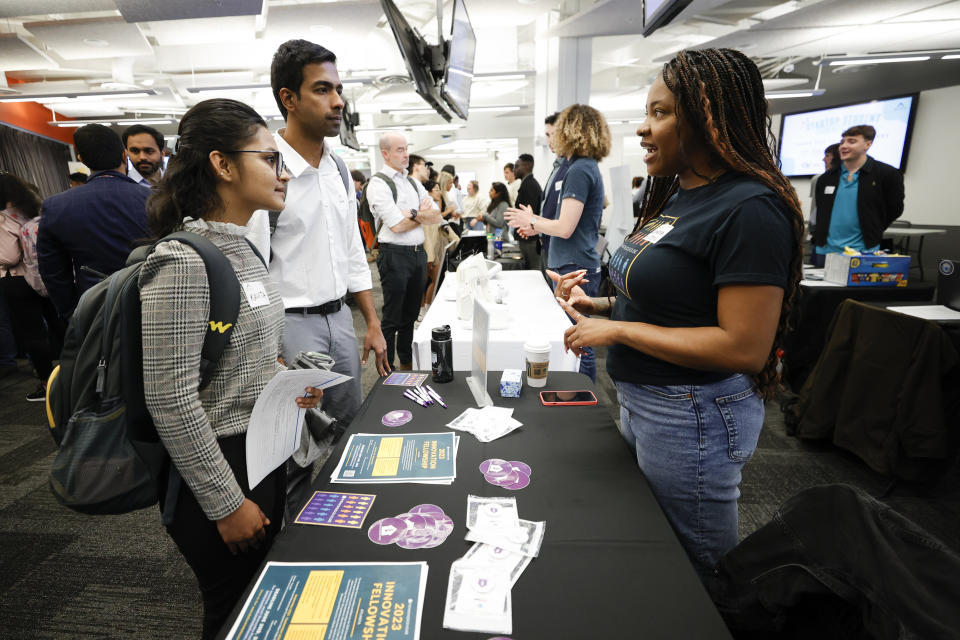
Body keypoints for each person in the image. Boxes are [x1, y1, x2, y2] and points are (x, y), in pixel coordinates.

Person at [550, 48, 803, 581]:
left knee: (697, 569)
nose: (643, 129)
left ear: (710, 118)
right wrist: (596, 304)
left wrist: (616, 328)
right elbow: (675, 303)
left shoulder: (750, 207)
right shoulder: (678, 195)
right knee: (656, 549)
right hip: (650, 400)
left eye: (661, 113)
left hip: (695, 412)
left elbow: (742, 346)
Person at [140, 97, 322, 639]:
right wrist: (224, 503)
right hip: (218, 469)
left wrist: (291, 380)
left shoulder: (242, 250)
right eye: (269, 159)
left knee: (260, 603)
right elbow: (170, 398)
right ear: (222, 165)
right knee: (235, 613)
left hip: (259, 453)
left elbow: (246, 358)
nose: (283, 174)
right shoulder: (182, 261)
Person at [246, 39, 389, 520]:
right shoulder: (265, 169)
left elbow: (352, 251)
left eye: (339, 90)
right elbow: (251, 265)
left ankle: (344, 527)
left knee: (348, 431)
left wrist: (371, 321)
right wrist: (268, 349)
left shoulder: (338, 169)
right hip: (289, 325)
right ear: (289, 99)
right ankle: (284, 548)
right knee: (293, 447)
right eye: (323, 90)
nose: (338, 101)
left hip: (338, 321)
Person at [505, 103, 610, 382]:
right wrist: (536, 224)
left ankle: (584, 397)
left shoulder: (578, 170)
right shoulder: (576, 167)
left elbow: (564, 227)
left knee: (580, 342)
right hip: (570, 262)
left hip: (574, 265)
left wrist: (533, 222)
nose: (552, 137)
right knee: (575, 338)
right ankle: (580, 395)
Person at [38, 124, 150, 319]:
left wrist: (71, 314)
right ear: (124, 155)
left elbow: (53, 273)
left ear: (81, 159)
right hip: (151, 301)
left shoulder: (55, 206)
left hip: (93, 309)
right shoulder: (155, 200)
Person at [366, 132, 442, 370]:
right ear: (385, 153)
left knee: (410, 315)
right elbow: (396, 226)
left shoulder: (413, 182)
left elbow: (436, 215)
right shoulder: (378, 184)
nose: (405, 154)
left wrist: (410, 213)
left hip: (418, 254)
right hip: (394, 255)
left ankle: (406, 363)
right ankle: (386, 370)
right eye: (399, 150)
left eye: (406, 148)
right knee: (392, 317)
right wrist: (420, 215)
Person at [812, 125, 904, 267]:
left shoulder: (887, 174)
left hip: (864, 251)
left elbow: (895, 208)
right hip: (826, 251)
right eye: (842, 142)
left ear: (868, 144)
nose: (844, 146)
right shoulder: (826, 178)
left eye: (851, 141)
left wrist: (873, 227)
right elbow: (821, 209)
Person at [0, 173, 54, 401]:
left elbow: (9, 256)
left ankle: (46, 383)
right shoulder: (34, 212)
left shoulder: (4, 219)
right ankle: (71, 374)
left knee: (33, 334)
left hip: (17, 281)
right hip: (45, 276)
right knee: (57, 325)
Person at [537, 112, 569, 269]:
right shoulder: (557, 167)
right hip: (549, 244)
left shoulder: (573, 169)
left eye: (553, 134)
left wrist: (532, 221)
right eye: (547, 135)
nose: (550, 141)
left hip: (565, 253)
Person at [512, 153, 543, 270]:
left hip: (530, 238)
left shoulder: (530, 186)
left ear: (527, 166)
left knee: (534, 270)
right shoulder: (527, 184)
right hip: (527, 236)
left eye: (517, 166)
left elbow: (531, 214)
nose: (514, 170)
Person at [807, 143, 839, 240]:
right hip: (818, 232)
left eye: (827, 156)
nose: (823, 159)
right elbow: (815, 206)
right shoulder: (818, 179)